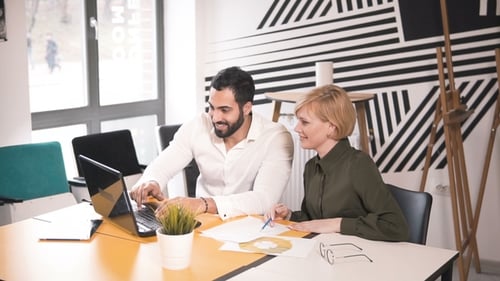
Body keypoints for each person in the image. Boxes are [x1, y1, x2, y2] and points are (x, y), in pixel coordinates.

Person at [130, 66, 294, 220]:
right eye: (211, 107)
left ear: (246, 108)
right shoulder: (198, 125)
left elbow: (264, 199)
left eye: (224, 110)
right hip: (203, 225)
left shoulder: (275, 137)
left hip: (250, 229)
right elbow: (164, 163)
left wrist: (203, 203)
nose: (215, 118)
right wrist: (152, 181)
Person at [266, 84, 409, 242]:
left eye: (304, 122)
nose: (296, 128)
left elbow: (395, 226)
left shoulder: (359, 165)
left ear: (332, 127)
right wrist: (289, 215)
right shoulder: (311, 167)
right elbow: (314, 219)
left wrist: (336, 224)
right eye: (297, 120)